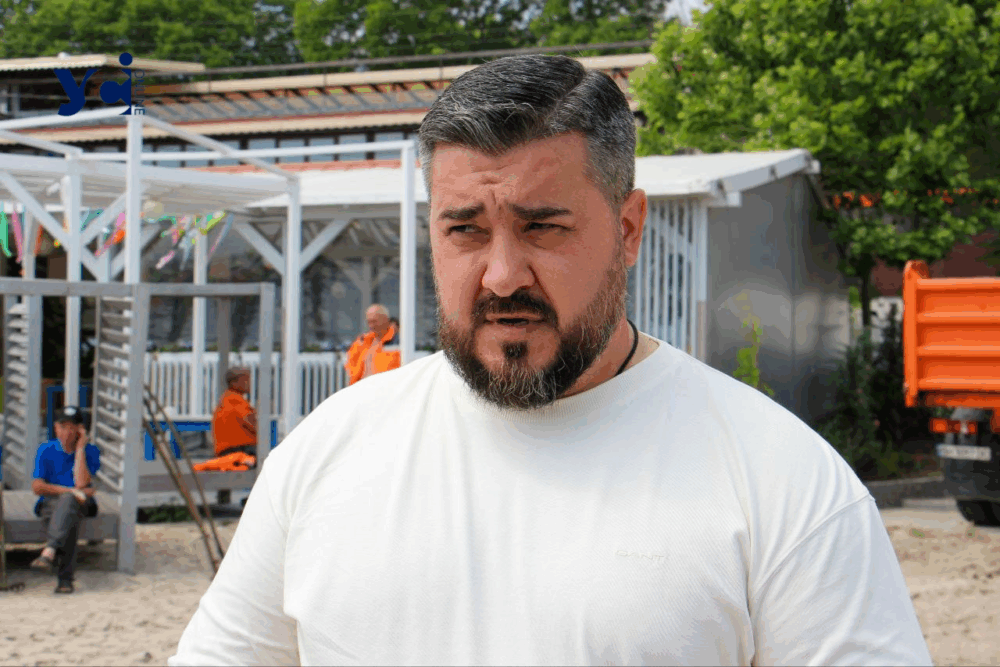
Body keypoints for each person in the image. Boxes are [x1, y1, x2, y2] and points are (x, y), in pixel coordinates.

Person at [170, 55, 932, 665]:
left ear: (628, 230)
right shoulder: (326, 453)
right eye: (466, 230)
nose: (502, 275)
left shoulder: (781, 481)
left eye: (543, 227)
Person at [29, 406, 100, 594]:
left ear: (80, 430)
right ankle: (65, 580)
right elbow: (37, 487)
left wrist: (80, 449)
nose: (66, 432)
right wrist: (70, 491)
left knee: (69, 505)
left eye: (71, 427)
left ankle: (50, 550)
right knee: (69, 512)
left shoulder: (91, 451)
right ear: (55, 427)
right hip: (53, 503)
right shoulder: (46, 449)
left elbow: (81, 481)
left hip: (82, 504)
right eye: (62, 426)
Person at [344, 304, 401, 385]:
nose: (371, 325)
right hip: (362, 388)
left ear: (385, 319)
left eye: (374, 321)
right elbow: (350, 363)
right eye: (369, 322)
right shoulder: (363, 341)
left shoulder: (398, 342)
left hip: (386, 388)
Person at [211, 368, 257, 458]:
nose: (250, 384)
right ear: (234, 383)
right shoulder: (235, 400)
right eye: (246, 380)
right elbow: (251, 423)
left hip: (227, 449)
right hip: (239, 449)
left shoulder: (227, 398)